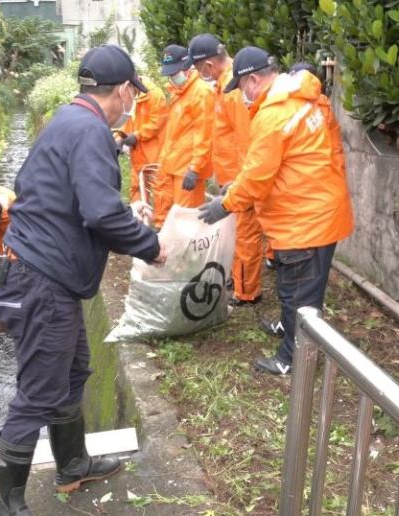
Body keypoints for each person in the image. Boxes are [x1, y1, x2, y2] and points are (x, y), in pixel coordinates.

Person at [0, 45, 167, 516]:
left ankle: (72, 464)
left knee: (74, 369)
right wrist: (150, 247)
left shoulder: (68, 120)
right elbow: (101, 214)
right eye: (135, 91)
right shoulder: (89, 130)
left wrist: (117, 218)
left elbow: (42, 188)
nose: (134, 100)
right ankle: (8, 505)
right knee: (38, 392)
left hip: (47, 277)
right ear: (125, 89)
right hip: (42, 281)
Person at [198, 47, 354, 376]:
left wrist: (224, 205)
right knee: (291, 285)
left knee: (301, 296)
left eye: (241, 88)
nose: (241, 97)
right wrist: (234, 188)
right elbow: (271, 164)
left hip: (305, 222)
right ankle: (287, 328)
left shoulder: (274, 114)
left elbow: (257, 176)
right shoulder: (305, 99)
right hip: (313, 211)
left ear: (253, 80)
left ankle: (292, 361)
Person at [188, 33, 263, 307]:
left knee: (245, 236)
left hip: (239, 180)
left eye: (198, 70)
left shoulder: (234, 91)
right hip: (233, 178)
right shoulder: (226, 86)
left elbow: (247, 139)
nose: (198, 75)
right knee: (237, 234)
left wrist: (237, 183)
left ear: (208, 65)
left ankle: (247, 291)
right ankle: (239, 280)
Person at [152, 44, 214, 227]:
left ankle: (187, 256)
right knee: (167, 218)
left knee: (186, 223)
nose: (172, 77)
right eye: (169, 74)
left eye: (175, 72)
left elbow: (204, 134)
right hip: (171, 165)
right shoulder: (179, 93)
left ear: (187, 67)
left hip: (187, 172)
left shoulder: (201, 92)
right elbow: (175, 134)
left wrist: (194, 169)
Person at [119, 74, 169, 223]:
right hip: (138, 155)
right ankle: (138, 223)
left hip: (155, 153)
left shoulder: (155, 95)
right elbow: (127, 122)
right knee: (136, 188)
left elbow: (157, 122)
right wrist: (120, 137)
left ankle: (161, 225)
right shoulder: (129, 98)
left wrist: (137, 136)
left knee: (159, 190)